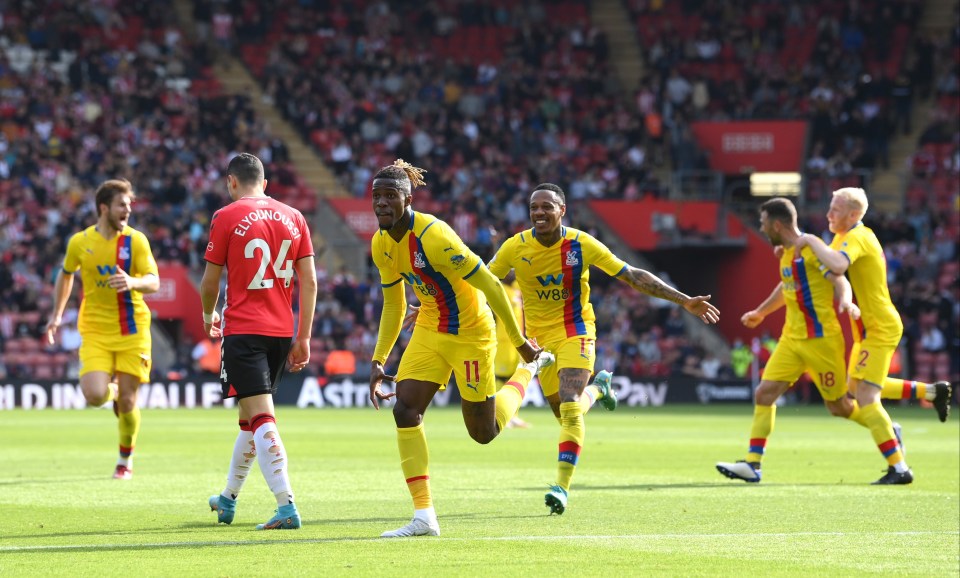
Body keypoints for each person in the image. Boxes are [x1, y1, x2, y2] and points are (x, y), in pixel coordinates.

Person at [487, 183, 720, 514]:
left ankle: (562, 488)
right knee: (567, 413)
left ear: (562, 210)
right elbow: (479, 281)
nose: (539, 212)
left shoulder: (581, 244)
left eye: (547, 207)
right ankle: (599, 389)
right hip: (539, 342)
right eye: (534, 207)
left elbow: (631, 275)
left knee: (568, 407)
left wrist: (683, 300)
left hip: (576, 331)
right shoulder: (515, 247)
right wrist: (431, 308)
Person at [368, 160, 553, 538]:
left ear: (407, 199)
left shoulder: (436, 236)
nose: (382, 204)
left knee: (483, 432)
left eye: (391, 196)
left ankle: (528, 373)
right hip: (429, 327)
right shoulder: (380, 243)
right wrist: (378, 358)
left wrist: (519, 344)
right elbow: (394, 304)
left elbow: (490, 284)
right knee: (405, 409)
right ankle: (424, 516)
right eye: (377, 197)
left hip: (470, 332)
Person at [716, 197, 909, 485]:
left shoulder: (812, 250)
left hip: (822, 342)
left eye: (763, 222)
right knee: (764, 394)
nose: (761, 227)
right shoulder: (786, 253)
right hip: (792, 340)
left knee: (839, 407)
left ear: (777, 224)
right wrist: (760, 311)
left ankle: (887, 434)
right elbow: (788, 285)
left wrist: (845, 302)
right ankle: (753, 464)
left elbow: (840, 280)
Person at [796, 187, 953, 480]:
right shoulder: (845, 236)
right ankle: (931, 392)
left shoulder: (857, 236)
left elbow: (839, 265)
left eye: (835, 210)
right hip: (867, 327)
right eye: (829, 208)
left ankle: (899, 467)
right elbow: (833, 272)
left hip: (879, 327)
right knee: (856, 389)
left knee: (867, 398)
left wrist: (810, 241)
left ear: (853, 215)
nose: (828, 214)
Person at [201, 153, 317, 529]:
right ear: (264, 184)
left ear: (232, 182)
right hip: (281, 333)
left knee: (262, 417)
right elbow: (310, 282)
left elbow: (209, 281)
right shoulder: (295, 217)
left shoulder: (226, 216)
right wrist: (304, 337)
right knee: (249, 419)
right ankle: (228, 499)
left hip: (244, 331)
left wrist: (208, 314)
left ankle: (287, 507)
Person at [45, 178, 160, 480]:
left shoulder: (135, 241)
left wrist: (133, 282)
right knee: (95, 395)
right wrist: (57, 315)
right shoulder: (80, 242)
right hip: (96, 328)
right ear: (104, 207)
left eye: (130, 205)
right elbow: (66, 274)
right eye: (122, 205)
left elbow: (154, 280)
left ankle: (125, 460)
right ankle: (114, 393)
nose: (128, 210)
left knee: (129, 402)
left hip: (133, 329)